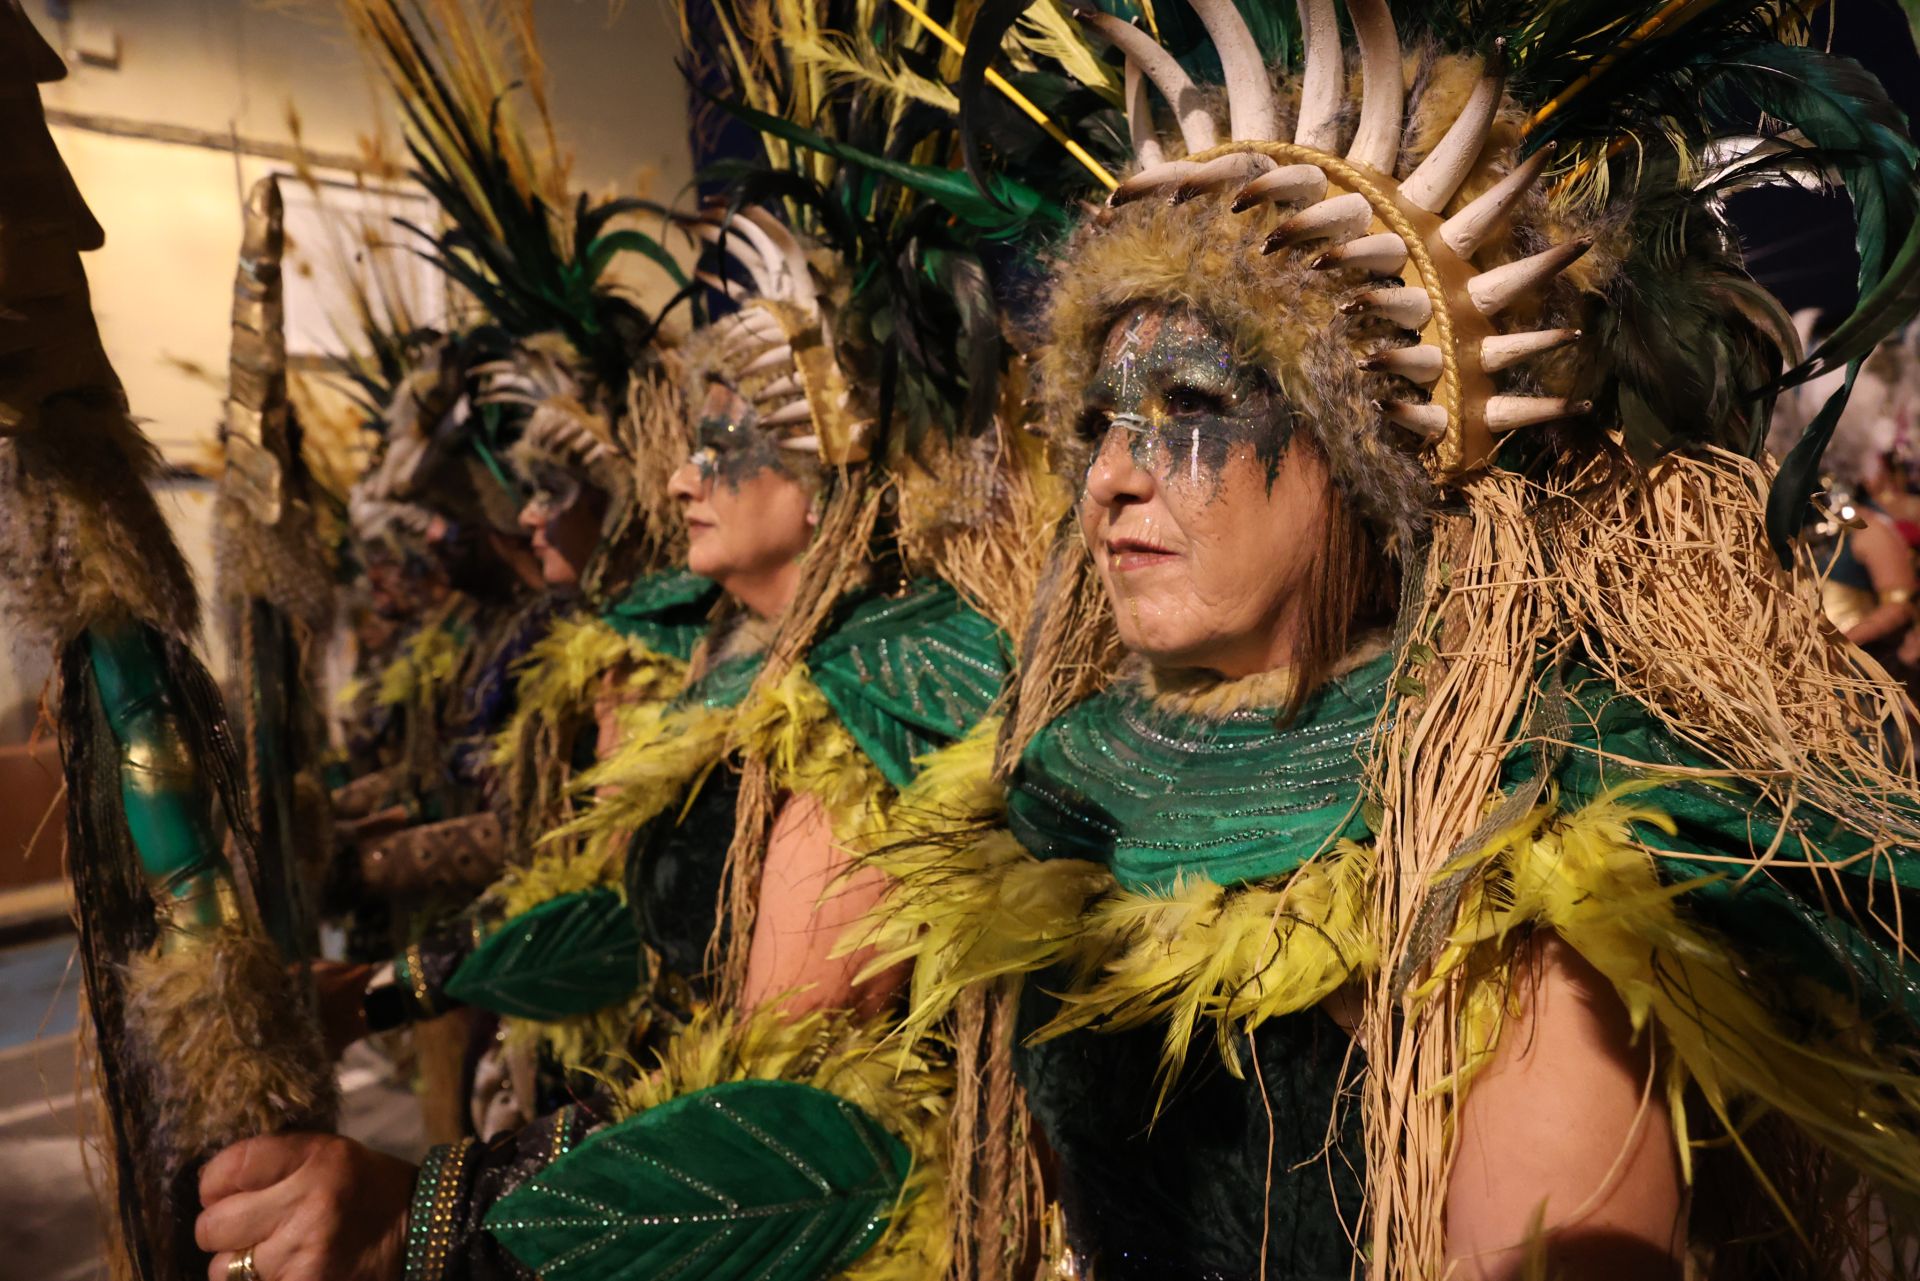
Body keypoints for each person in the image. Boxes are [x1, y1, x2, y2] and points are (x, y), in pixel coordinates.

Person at [853, 2, 1920, 1278]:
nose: (1109, 481)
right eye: (1096, 424)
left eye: (1192, 404)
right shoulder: (1062, 777)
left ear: (1361, 458)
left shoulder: (1506, 831)